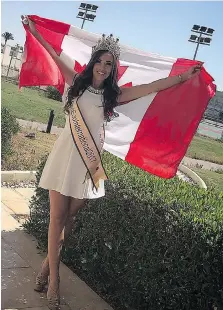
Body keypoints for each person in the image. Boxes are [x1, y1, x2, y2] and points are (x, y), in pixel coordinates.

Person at [22, 15, 202, 310]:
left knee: (69, 221)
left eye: (109, 65)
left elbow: (153, 87)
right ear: (93, 62)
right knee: (57, 220)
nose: (103, 68)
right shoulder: (75, 84)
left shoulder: (113, 96)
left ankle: (44, 269)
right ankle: (54, 281)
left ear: (113, 69)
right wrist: (34, 30)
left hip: (87, 166)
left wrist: (182, 78)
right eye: (100, 62)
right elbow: (54, 54)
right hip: (64, 158)